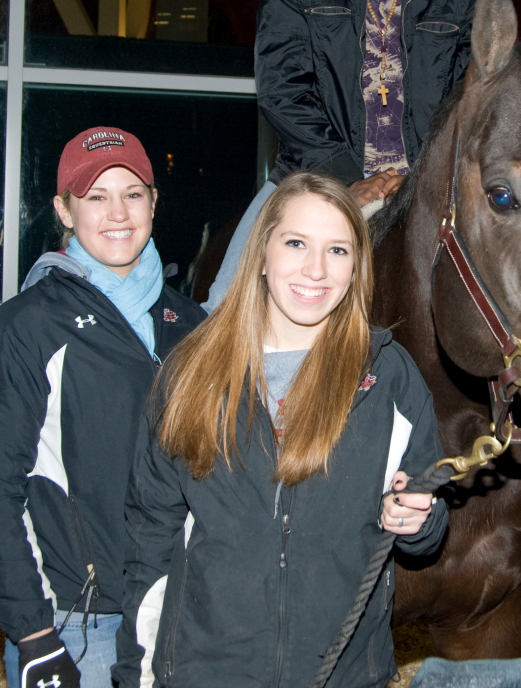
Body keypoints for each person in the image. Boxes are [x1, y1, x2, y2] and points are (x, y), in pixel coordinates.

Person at [114, 172, 449, 688]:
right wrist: (136, 671)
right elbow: (151, 536)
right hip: (205, 673)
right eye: (296, 243)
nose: (315, 270)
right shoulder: (190, 371)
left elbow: (427, 520)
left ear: (357, 265)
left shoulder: (388, 375)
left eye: (338, 250)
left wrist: (418, 520)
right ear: (263, 254)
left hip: (342, 673)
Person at [203, 0, 495, 314]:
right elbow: (281, 83)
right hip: (316, 178)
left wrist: (422, 177)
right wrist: (344, 178)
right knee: (220, 309)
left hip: (428, 189)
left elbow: (483, 85)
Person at [0, 127, 206, 688]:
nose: (117, 212)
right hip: (81, 626)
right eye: (95, 196)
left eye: (132, 193)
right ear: (64, 211)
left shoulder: (193, 327)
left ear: (153, 201)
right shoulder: (24, 328)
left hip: (185, 615)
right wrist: (34, 635)